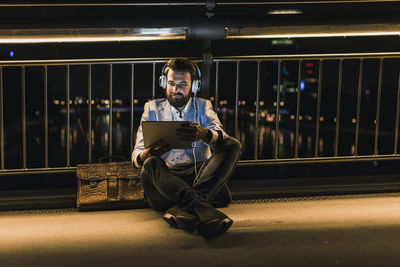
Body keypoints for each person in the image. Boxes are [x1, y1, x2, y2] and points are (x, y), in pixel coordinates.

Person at [132, 57, 242, 238]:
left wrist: (205, 134)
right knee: (150, 163)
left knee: (233, 145)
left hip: (198, 176)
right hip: (164, 184)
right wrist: (148, 153)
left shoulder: (204, 106)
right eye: (171, 83)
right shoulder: (151, 108)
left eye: (183, 84)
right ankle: (203, 207)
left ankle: (184, 210)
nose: (175, 90)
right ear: (163, 83)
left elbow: (223, 137)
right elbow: (136, 156)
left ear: (194, 86)